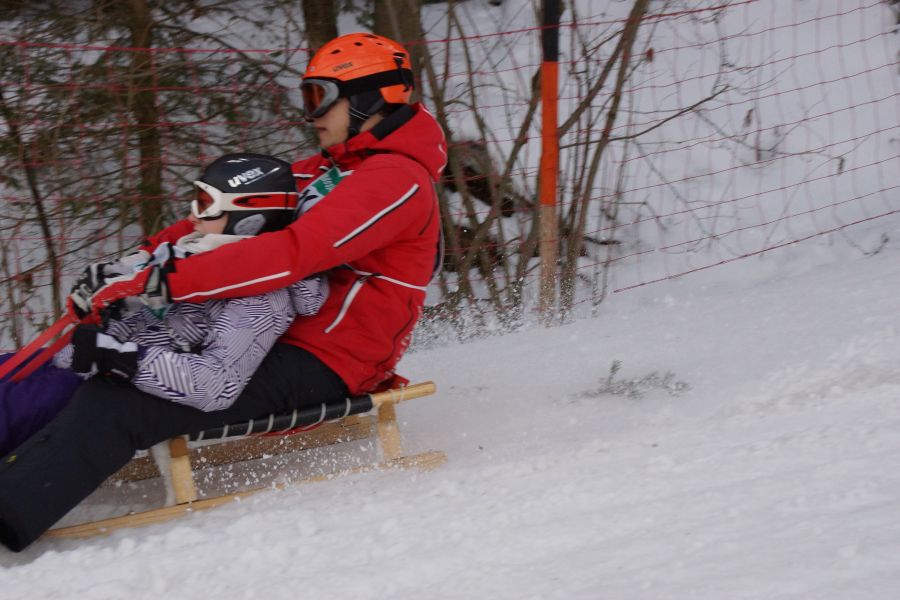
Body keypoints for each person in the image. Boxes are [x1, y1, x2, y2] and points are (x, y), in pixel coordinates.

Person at [0, 32, 446, 552]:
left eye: (320, 98)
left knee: (126, 395)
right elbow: (213, 219)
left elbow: (294, 254)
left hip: (325, 359)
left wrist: (160, 282)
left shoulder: (396, 181)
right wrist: (131, 264)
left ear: (370, 97)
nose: (311, 114)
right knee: (79, 359)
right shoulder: (322, 171)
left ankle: (12, 508)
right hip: (257, 330)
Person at [0, 153, 328, 457]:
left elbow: (217, 384)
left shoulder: (263, 298)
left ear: (249, 218)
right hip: (67, 361)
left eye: (206, 204)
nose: (192, 215)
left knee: (14, 409)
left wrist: (119, 355)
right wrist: (107, 292)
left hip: (98, 388)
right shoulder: (191, 254)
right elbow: (143, 298)